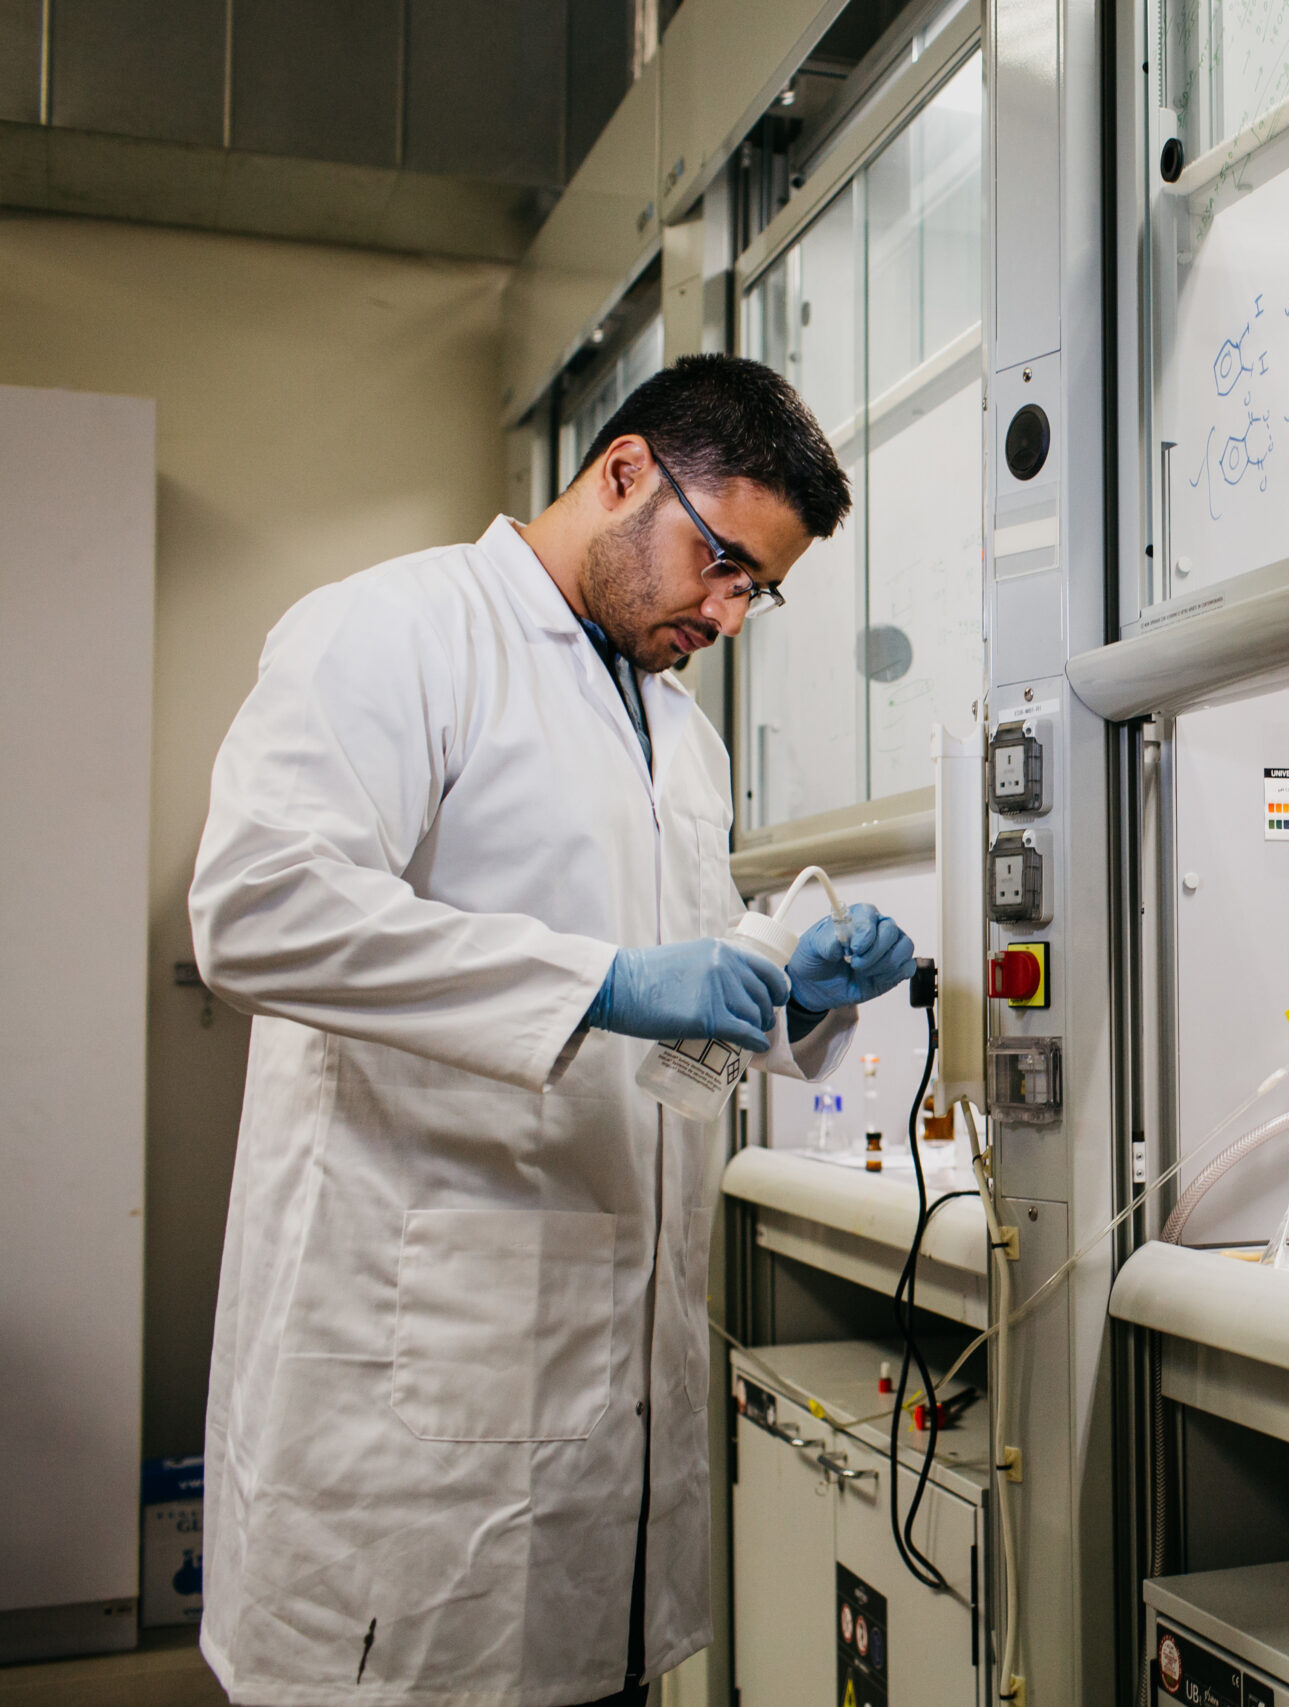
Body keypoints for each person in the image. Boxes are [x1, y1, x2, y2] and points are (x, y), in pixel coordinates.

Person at [188, 355, 915, 1707]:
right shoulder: (397, 631)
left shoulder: (679, 735)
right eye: (721, 563)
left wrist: (790, 993)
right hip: (411, 1384)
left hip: (602, 1402)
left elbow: (675, 997)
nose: (727, 613)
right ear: (625, 471)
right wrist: (601, 985)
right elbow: (260, 908)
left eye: (757, 590)